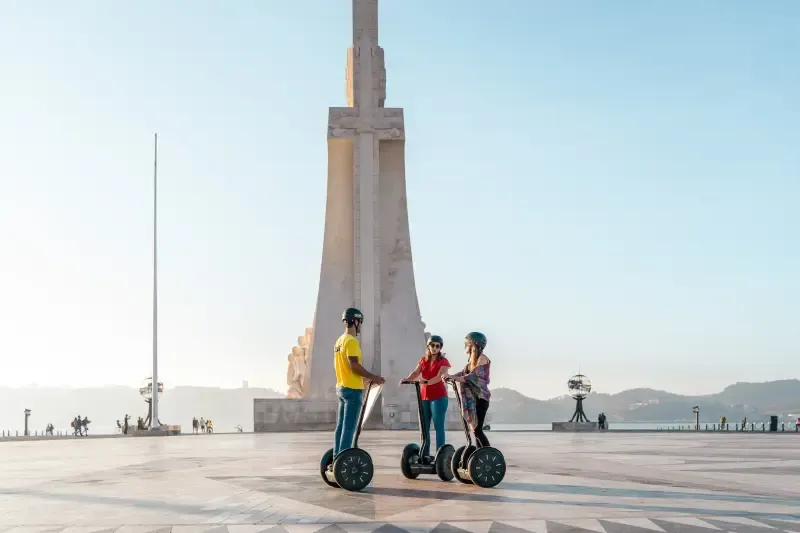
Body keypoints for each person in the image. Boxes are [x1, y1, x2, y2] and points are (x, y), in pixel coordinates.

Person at [332, 307, 385, 460]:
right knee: (349, 428)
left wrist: (366, 380)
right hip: (353, 391)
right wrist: (373, 376)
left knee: (340, 426)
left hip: (341, 387)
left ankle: (337, 457)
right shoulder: (351, 341)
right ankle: (344, 460)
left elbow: (342, 368)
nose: (359, 325)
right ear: (355, 321)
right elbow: (353, 365)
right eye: (359, 322)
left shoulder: (339, 341)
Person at [401, 335, 451, 459]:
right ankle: (425, 454)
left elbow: (440, 376)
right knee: (424, 427)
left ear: (440, 348)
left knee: (439, 426)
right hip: (424, 397)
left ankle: (440, 455)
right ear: (428, 346)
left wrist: (426, 382)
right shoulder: (423, 360)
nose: (434, 348)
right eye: (432, 345)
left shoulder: (443, 361)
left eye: (437, 346)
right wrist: (407, 379)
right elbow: (415, 372)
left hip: (438, 397)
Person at [448, 332, 492, 448]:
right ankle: (480, 453)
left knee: (478, 430)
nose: (465, 347)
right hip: (474, 398)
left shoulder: (482, 358)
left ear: (473, 344)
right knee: (475, 431)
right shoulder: (471, 362)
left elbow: (473, 377)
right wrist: (450, 376)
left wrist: (455, 378)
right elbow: (462, 373)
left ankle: (487, 452)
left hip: (481, 399)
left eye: (467, 344)